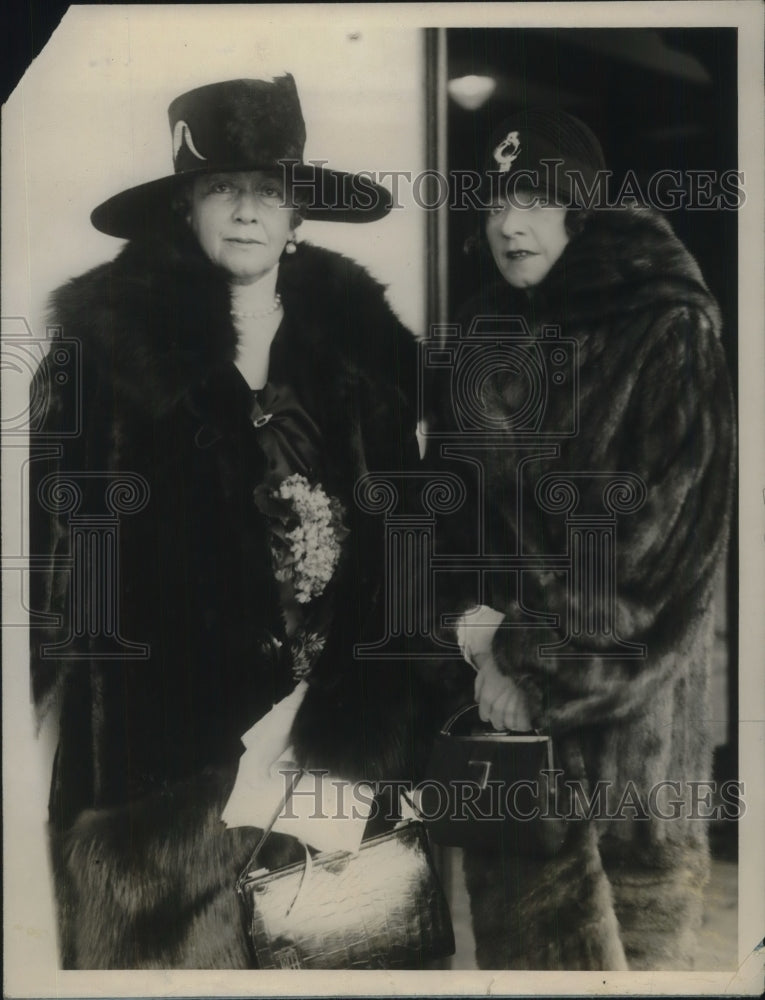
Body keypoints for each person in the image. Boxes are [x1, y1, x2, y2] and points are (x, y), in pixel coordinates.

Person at [29, 75, 443, 969]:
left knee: (336, 955)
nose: (247, 212)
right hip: (164, 748)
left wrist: (386, 701)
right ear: (186, 205)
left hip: (334, 728)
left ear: (299, 211)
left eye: (268, 191)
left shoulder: (362, 350)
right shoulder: (101, 344)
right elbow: (59, 547)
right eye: (223, 189)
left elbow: (407, 539)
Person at [426, 109, 735, 970]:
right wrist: (470, 630)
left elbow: (662, 559)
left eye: (534, 197)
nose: (509, 223)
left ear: (581, 209)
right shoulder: (486, 336)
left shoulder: (668, 327)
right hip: (507, 756)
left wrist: (533, 663)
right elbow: (447, 517)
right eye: (493, 200)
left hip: (625, 769)